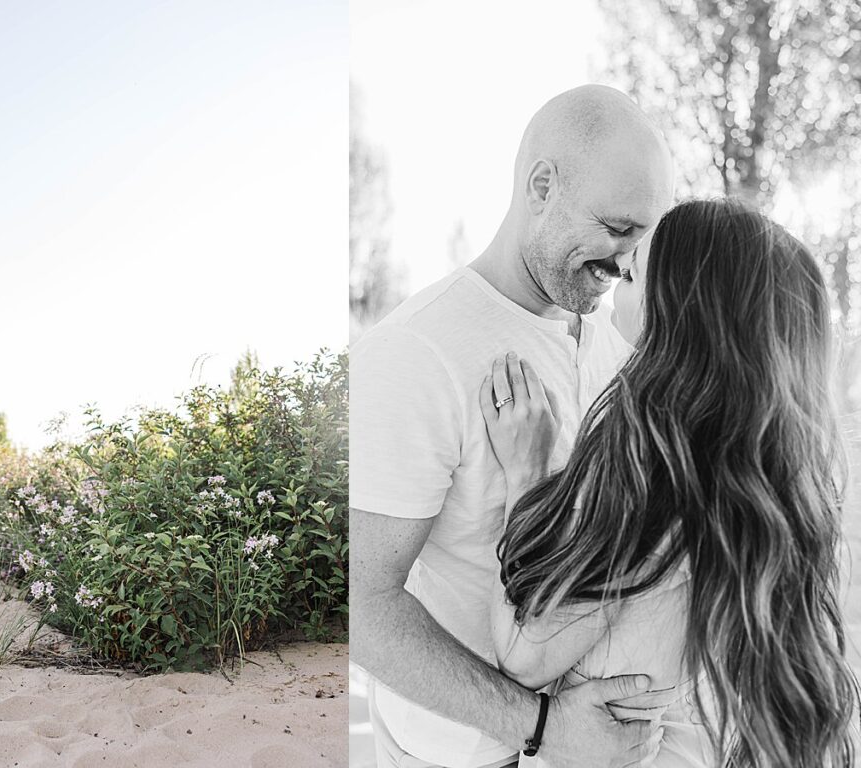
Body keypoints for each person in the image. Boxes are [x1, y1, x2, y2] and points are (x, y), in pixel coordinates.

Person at [350, 84, 673, 767]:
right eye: (616, 229)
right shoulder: (416, 353)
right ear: (541, 185)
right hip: (461, 751)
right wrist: (542, 725)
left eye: (641, 239)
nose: (625, 262)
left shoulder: (617, 347)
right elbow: (362, 608)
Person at [482, 198, 860, 767]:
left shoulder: (648, 471)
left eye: (633, 276)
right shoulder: (778, 487)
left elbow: (522, 653)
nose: (615, 286)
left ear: (683, 317)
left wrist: (527, 476)